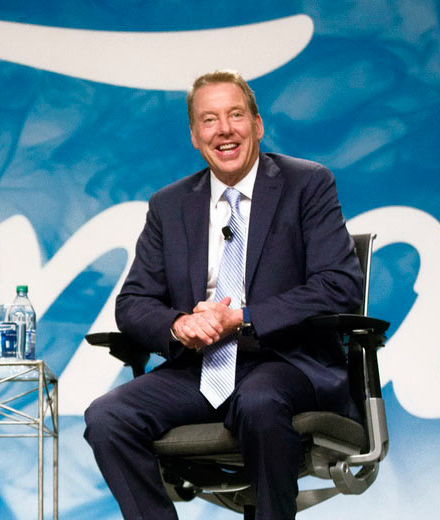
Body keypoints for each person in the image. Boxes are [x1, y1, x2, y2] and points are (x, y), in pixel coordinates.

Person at [83, 70, 364, 519]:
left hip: (286, 362)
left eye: (235, 115)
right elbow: (133, 303)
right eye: (209, 120)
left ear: (257, 124)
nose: (224, 130)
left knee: (259, 402)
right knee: (107, 417)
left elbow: (339, 285)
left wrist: (245, 318)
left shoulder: (307, 184)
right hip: (201, 369)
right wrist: (179, 325)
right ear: (195, 136)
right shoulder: (169, 205)